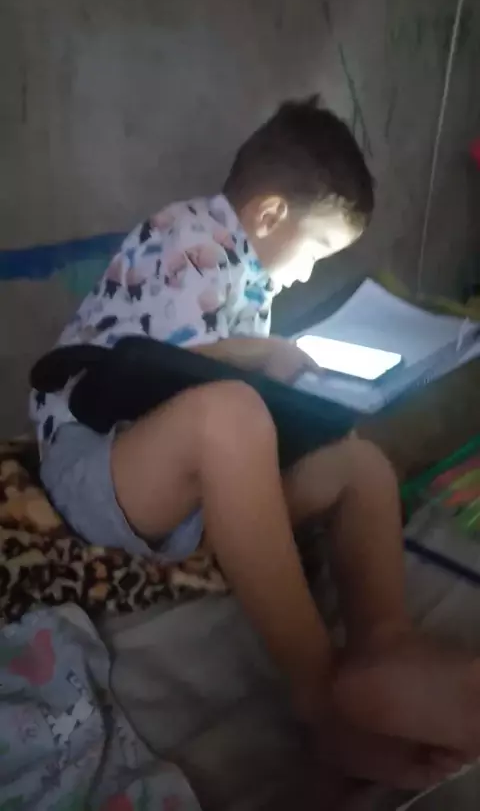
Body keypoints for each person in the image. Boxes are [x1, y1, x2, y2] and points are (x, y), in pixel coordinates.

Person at [31, 96, 479, 789]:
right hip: (98, 456)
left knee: (361, 466)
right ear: (269, 215)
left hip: (194, 485)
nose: (307, 274)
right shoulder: (185, 235)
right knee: (230, 413)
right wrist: (263, 356)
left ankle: (383, 646)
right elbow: (150, 369)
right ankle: (322, 701)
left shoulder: (252, 286)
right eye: (316, 250)